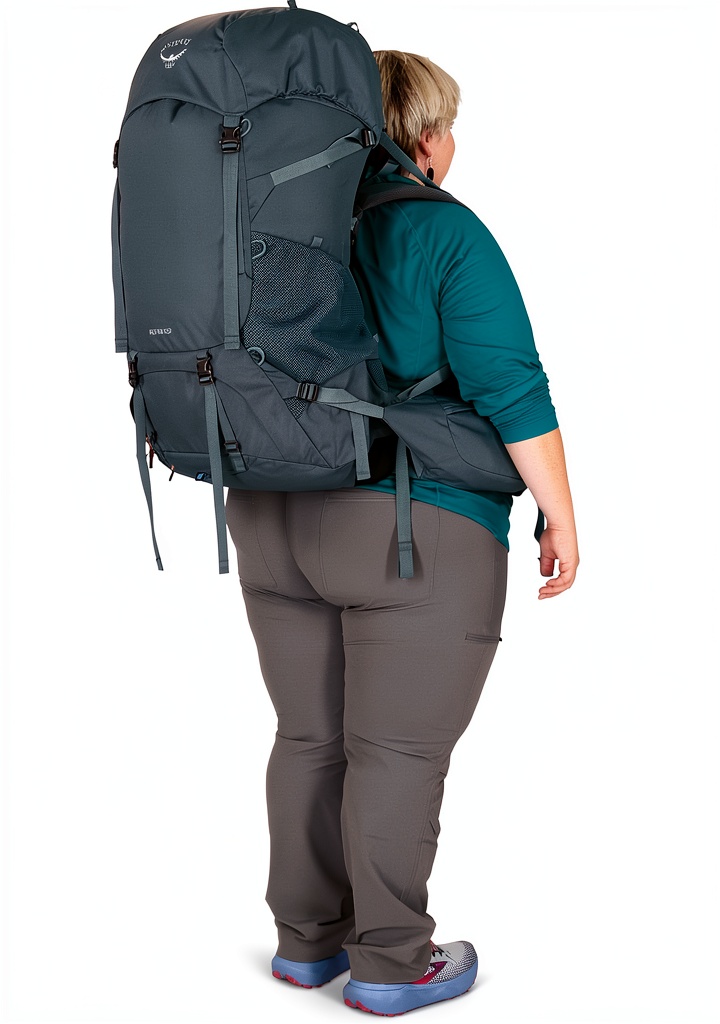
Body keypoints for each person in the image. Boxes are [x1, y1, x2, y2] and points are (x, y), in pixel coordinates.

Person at [225, 49, 579, 1017]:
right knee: (395, 754)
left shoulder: (264, 229)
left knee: (309, 736)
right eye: (448, 124)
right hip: (408, 529)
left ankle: (306, 945)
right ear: (422, 135)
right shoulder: (441, 231)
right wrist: (559, 509)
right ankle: (390, 962)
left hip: (269, 518)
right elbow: (511, 387)